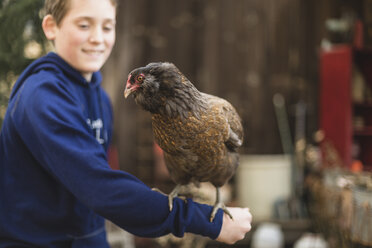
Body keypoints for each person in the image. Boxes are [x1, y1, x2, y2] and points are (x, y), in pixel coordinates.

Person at [0, 0, 252, 247]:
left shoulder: (99, 97)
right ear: (51, 27)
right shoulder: (41, 98)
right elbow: (100, 188)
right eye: (84, 25)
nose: (98, 38)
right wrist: (207, 221)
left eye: (107, 26)